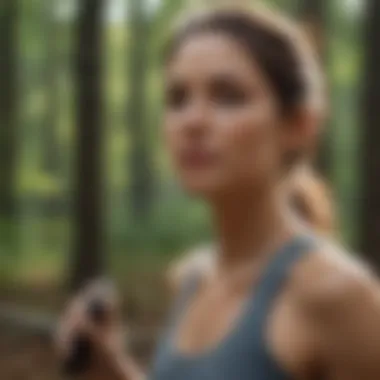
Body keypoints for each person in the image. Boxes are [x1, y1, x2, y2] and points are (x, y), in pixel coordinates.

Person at [57, 5, 380, 380]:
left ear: (298, 125)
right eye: (177, 99)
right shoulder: (190, 277)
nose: (192, 121)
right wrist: (110, 369)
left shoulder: (335, 294)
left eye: (228, 97)